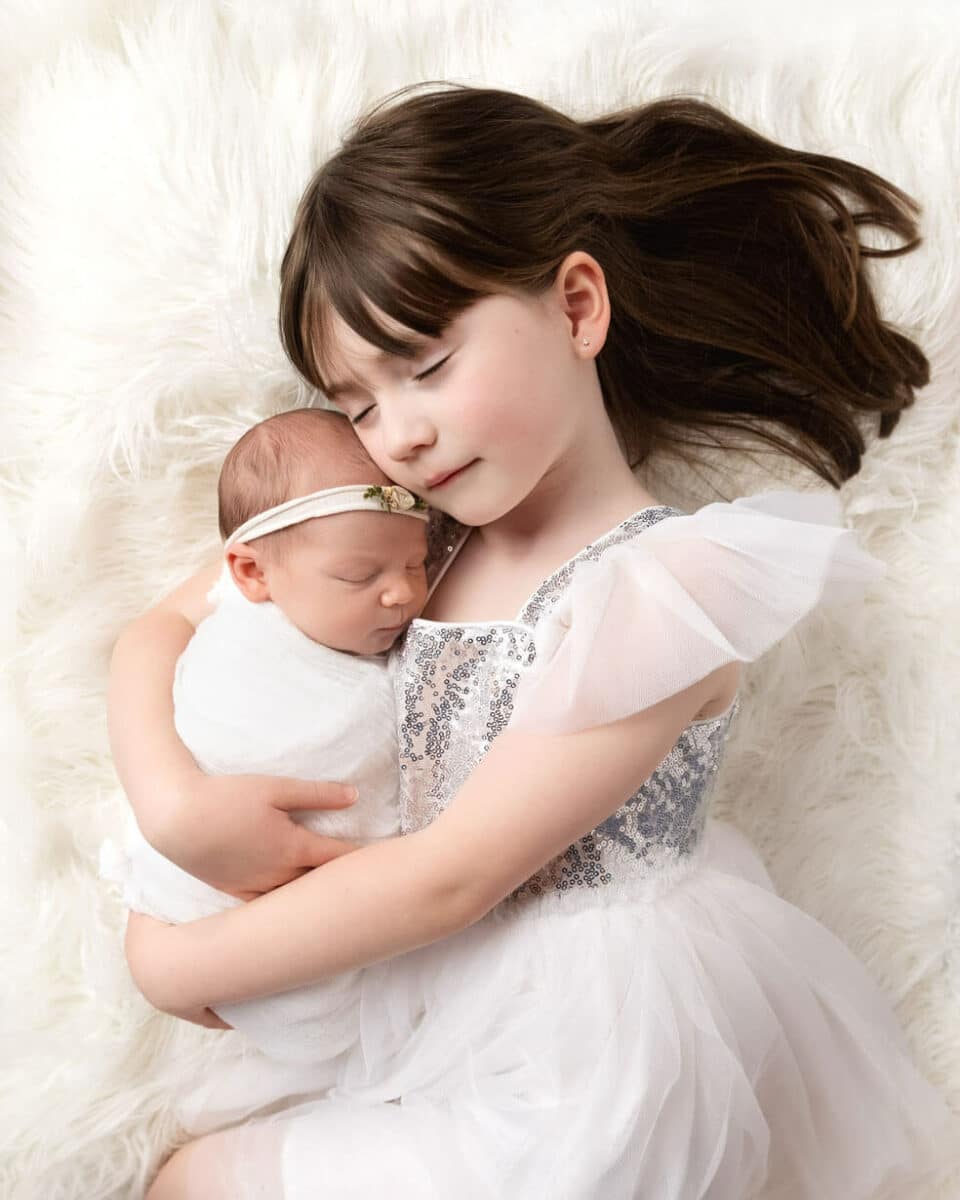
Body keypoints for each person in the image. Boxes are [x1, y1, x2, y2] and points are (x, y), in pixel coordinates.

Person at [108, 84, 960, 1199]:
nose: (400, 432)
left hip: (593, 1060)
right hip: (417, 1003)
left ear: (574, 306)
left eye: (426, 365)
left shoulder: (667, 588)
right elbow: (169, 620)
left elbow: (452, 879)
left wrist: (169, 960)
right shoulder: (406, 537)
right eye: (357, 405)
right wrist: (170, 800)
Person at [101, 406, 430, 1064]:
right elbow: (150, 632)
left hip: (359, 938)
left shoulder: (374, 551)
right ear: (254, 574)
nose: (401, 594)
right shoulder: (255, 582)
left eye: (419, 565)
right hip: (197, 892)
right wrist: (172, 806)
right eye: (359, 577)